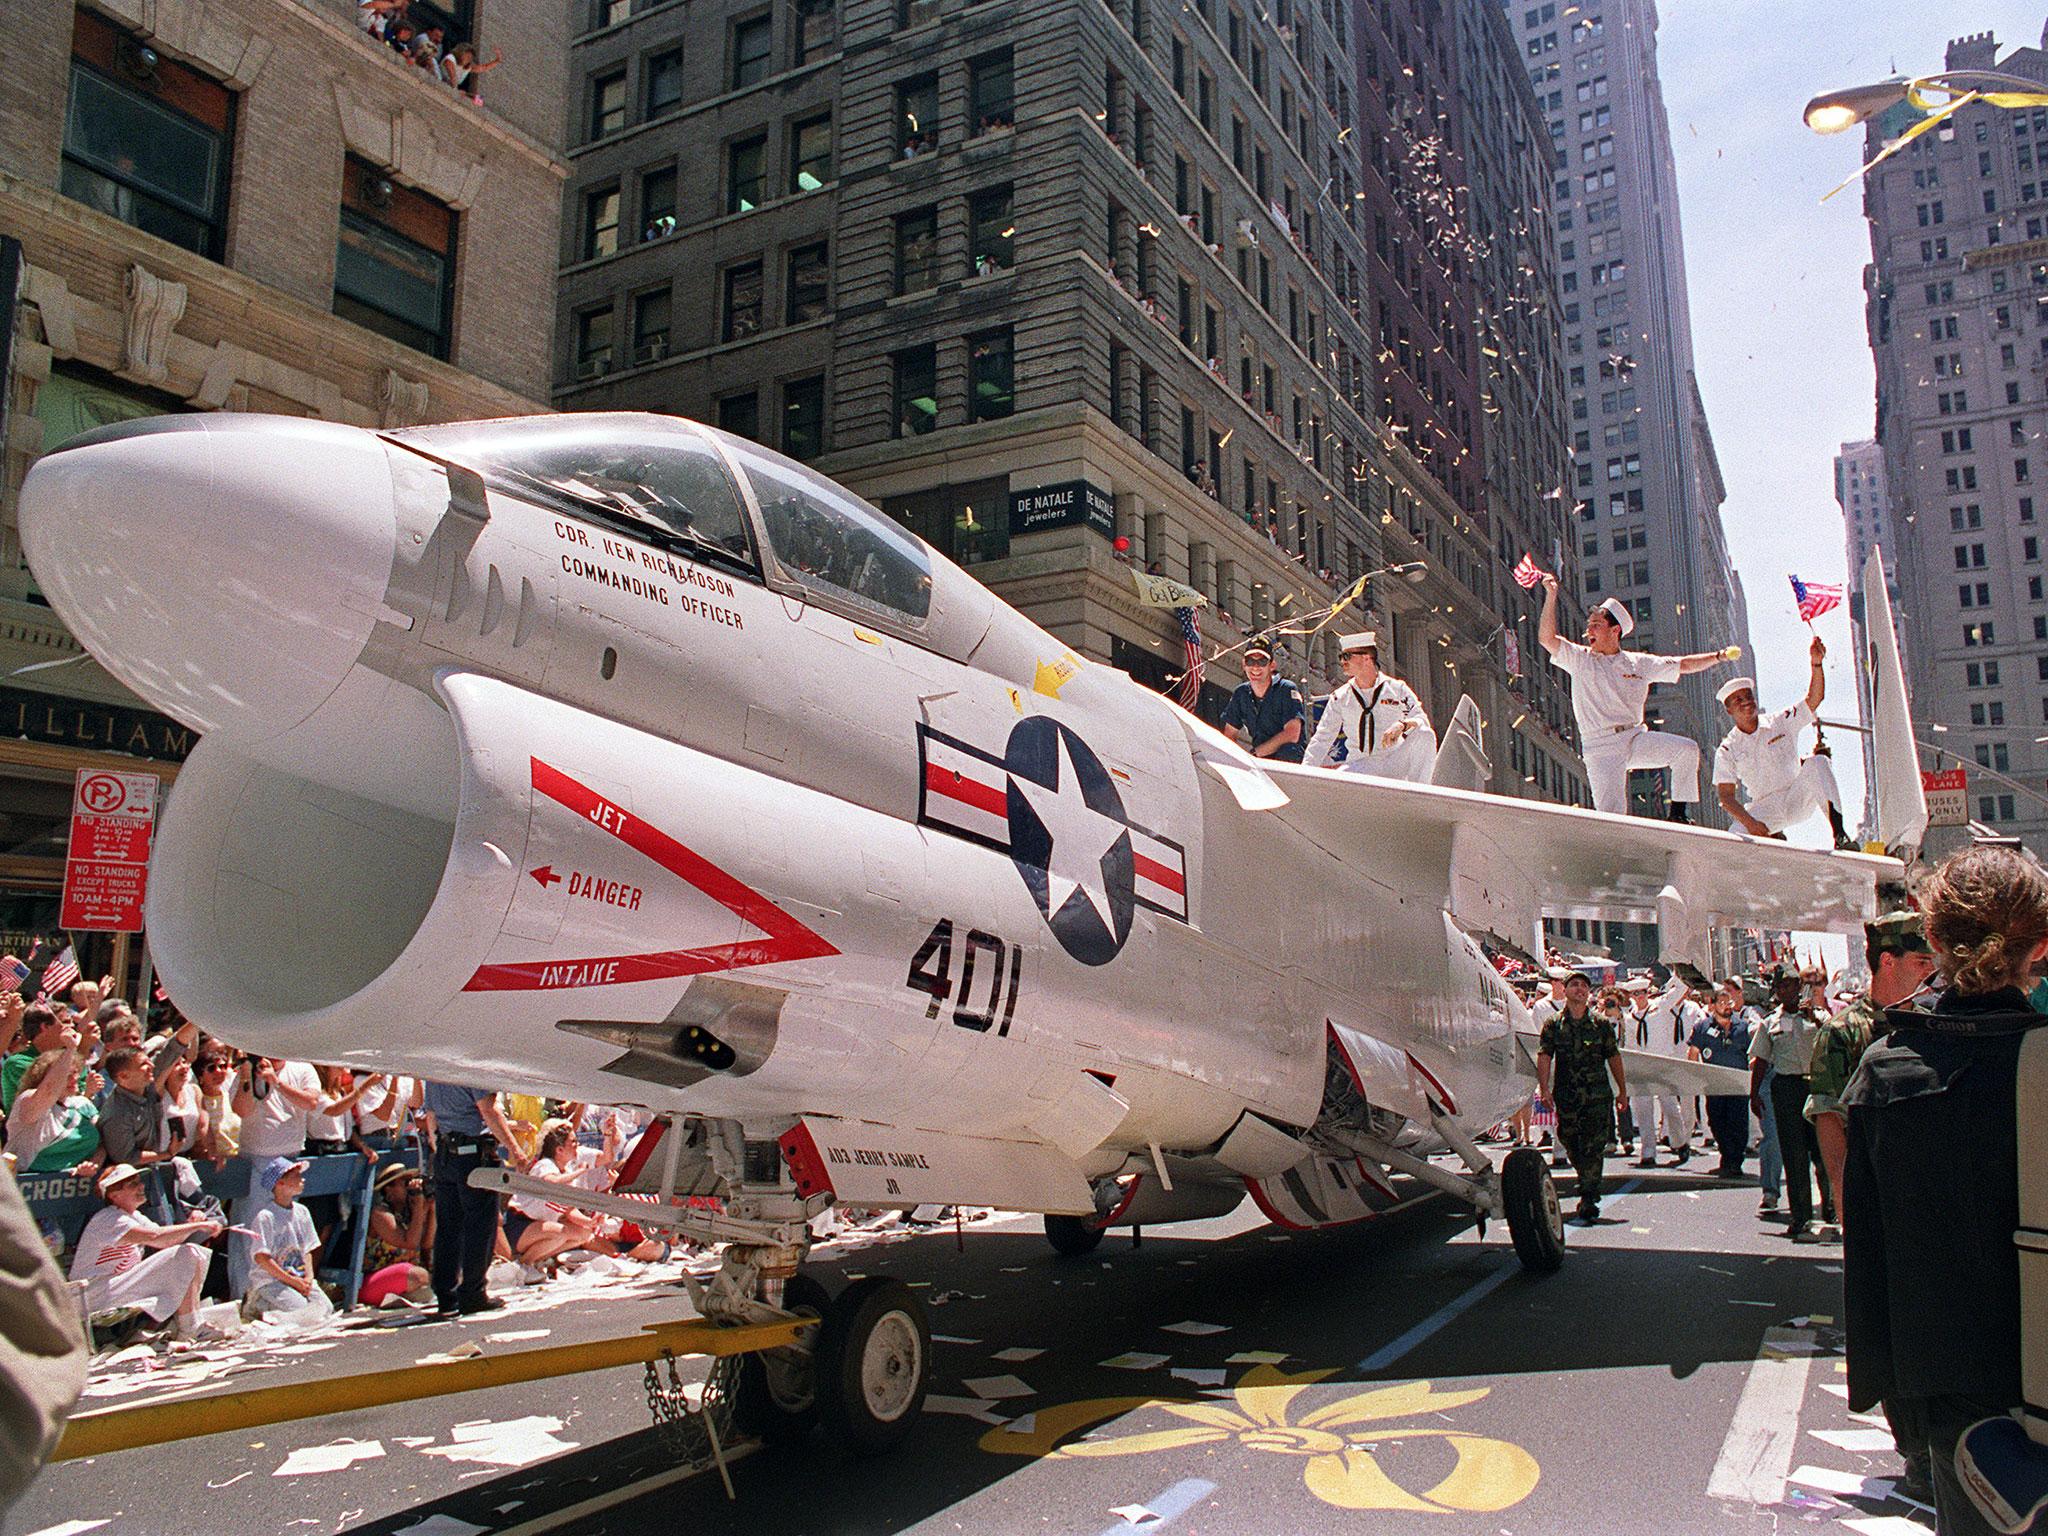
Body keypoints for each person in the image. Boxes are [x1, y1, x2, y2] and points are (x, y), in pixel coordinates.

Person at [1845, 845, 2048, 1536]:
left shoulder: (1889, 1071)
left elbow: (1868, 1251)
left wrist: (1892, 1394)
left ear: (1931, 940)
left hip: (1956, 1390)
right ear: (2041, 946)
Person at [1536, 574, 1736, 818]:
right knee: (1613, 816)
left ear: (1615, 630)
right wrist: (1551, 595)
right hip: (1601, 747)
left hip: (1634, 738)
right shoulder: (1580, 658)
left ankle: (1679, 814)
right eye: (1589, 625)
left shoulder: (1638, 663)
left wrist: (1719, 656)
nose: (1589, 630)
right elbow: (1547, 639)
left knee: (1687, 750)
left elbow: (1682, 664)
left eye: (1596, 624)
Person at [1806, 907, 1937, 1239]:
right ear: (1888, 961)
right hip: (1873, 1188)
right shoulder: (1842, 1032)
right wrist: (1847, 1203)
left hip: (1928, 1188)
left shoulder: (1932, 1026)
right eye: (1921, 962)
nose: (1931, 971)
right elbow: (1830, 1119)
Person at [1713, 642, 1856, 849]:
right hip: (1765, 808)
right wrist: (1752, 824)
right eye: (1737, 700)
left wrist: (1816, 664)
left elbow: (1814, 699)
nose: (1746, 702)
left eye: (1748, 697)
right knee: (1734, 837)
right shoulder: (1727, 749)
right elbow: (1726, 797)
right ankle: (1767, 854)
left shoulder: (1780, 721)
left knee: (1818, 762)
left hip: (1797, 796)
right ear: (1729, 711)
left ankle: (1840, 836)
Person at [68, 1163, 220, 1337]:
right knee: (188, 1254)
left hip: (111, 1287)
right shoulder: (110, 1218)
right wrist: (199, 1226)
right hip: (90, 1293)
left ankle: (190, 1324)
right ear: (114, 1194)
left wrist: (191, 1225)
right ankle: (190, 1327)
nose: (141, 1187)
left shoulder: (134, 1216)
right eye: (132, 1185)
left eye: (139, 1182)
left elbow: (167, 1242)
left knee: (189, 1254)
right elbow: (155, 1237)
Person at [422, 1080, 525, 1318]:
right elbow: (488, 1109)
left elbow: (431, 1115)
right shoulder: (470, 1068)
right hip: (471, 1152)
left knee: (448, 1227)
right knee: (480, 1225)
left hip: (447, 1151)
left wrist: (438, 1148)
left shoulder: (435, 1071)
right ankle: (472, 1293)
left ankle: (446, 1295)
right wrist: (515, 1149)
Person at [1536, 972, 1627, 1222]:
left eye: (1584, 986)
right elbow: (1544, 1056)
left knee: (1594, 1145)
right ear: (1564, 990)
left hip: (1597, 1096)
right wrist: (1544, 1088)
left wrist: (1622, 1090)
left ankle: (1589, 1196)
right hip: (1567, 1095)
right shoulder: (1553, 1024)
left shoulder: (1600, 1024)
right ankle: (1585, 1179)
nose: (1579, 989)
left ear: (1588, 993)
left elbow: (1614, 1057)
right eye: (1574, 985)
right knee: (1569, 1139)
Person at [1749, 972, 1833, 1241]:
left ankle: (1832, 1210)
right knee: (1794, 1155)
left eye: (1790, 985)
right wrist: (1754, 1093)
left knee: (1823, 1152)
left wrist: (1814, 1020)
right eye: (1780, 986)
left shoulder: (1819, 1017)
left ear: (1800, 987)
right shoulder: (1770, 1022)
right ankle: (1801, 1217)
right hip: (1787, 1088)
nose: (1785, 990)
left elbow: (1832, 1044)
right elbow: (1760, 1059)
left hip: (1817, 1086)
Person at [1302, 630, 1437, 781]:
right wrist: (1304, 773)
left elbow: (1420, 719)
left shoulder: (1397, 689)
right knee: (1340, 782)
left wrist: (1402, 725)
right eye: (1341, 657)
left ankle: (1420, 792)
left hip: (1394, 760)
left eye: (1347, 656)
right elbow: (1323, 737)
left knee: (1426, 734)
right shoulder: (1340, 697)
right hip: (1361, 764)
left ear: (1366, 658)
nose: (1342, 662)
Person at [97, 1014, 197, 1168]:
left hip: (152, 1170)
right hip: (127, 1181)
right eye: (144, 1064)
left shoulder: (146, 1087)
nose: (151, 1066)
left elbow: (174, 1047)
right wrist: (167, 1154)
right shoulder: (117, 1113)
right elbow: (126, 1157)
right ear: (123, 1076)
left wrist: (199, 1019)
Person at [1623, 975, 1696, 1167]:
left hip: (1663, 1064)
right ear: (1631, 996)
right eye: (1636, 994)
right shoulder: (1629, 1019)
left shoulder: (1661, 1007)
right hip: (1642, 1067)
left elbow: (1681, 989)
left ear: (1648, 992)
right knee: (1643, 1110)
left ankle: (1680, 1142)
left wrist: (1675, 975)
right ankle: (1648, 1152)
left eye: (1643, 993)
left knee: (1671, 1107)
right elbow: (1630, 1045)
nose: (1640, 997)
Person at [6, 1035, 102, 1175]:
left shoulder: (83, 1104)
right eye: (67, 1075)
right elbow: (49, 1091)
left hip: (73, 1185)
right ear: (45, 1077)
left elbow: (103, 1144)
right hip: (25, 1182)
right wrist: (70, 1049)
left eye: (76, 1073)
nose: (75, 1079)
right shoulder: (28, 1099)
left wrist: (92, 1166)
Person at [1690, 979, 1755, 1177]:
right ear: (1713, 1005)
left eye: (1729, 1003)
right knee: (1717, 1122)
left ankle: (1734, 1161)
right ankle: (1727, 1157)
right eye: (1722, 1003)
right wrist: (1695, 1075)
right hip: (1714, 1085)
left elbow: (1752, 1055)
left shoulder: (1743, 1028)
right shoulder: (1702, 1027)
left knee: (1738, 1123)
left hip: (1737, 1085)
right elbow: (1693, 1053)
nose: (1726, 1007)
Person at [360, 1162, 434, 1307]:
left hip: (405, 1275)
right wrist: (418, 1208)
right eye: (405, 1183)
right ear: (389, 1190)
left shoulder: (409, 1211)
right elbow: (410, 1243)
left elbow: (426, 1244)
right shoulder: (380, 1214)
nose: (409, 1187)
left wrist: (431, 1209)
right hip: (376, 1278)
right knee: (419, 1276)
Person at [1221, 639, 1307, 762]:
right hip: (1260, 759)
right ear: (1244, 664)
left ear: (1272, 665)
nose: (1255, 667)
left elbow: (1292, 734)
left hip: (1289, 761)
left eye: (1262, 661)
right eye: (1250, 661)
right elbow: (1229, 734)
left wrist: (1254, 755)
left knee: (1288, 750)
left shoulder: (1286, 689)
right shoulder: (1241, 693)